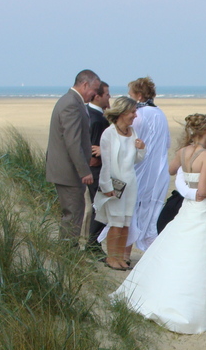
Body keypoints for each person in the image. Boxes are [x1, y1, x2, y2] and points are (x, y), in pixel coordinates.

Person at [111, 114, 206, 334]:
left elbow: (171, 170)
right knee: (199, 255)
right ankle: (192, 307)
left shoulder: (182, 152)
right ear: (205, 131)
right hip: (201, 211)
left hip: (187, 209)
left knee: (182, 251)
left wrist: (185, 176)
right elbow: (203, 191)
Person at [46, 69, 100, 243]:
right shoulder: (71, 104)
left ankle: (70, 252)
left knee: (75, 213)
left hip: (68, 172)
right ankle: (69, 255)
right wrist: (84, 171)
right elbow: (73, 142)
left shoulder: (72, 102)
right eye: (94, 90)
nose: (94, 95)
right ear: (85, 85)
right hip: (68, 173)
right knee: (73, 215)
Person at [92, 96, 146, 270]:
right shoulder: (109, 133)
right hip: (115, 183)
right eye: (132, 112)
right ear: (122, 112)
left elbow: (137, 159)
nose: (135, 115)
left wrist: (141, 148)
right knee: (115, 222)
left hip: (130, 183)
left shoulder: (133, 132)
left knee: (125, 223)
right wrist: (106, 186)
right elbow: (106, 162)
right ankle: (112, 258)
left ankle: (121, 257)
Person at [125, 77, 172, 256]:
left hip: (140, 169)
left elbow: (130, 140)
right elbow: (167, 143)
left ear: (138, 95)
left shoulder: (138, 115)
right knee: (152, 213)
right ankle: (150, 254)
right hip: (159, 171)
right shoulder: (160, 113)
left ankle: (125, 255)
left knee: (132, 211)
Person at [86, 81, 110, 254]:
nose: (109, 97)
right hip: (96, 170)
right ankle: (93, 244)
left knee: (97, 207)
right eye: (107, 94)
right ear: (97, 96)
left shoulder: (86, 113)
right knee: (100, 208)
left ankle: (93, 243)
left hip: (92, 170)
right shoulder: (97, 120)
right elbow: (94, 154)